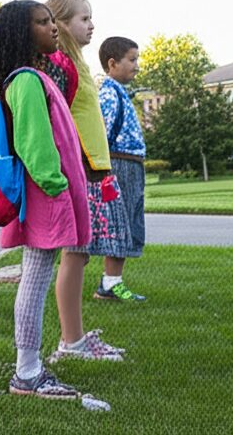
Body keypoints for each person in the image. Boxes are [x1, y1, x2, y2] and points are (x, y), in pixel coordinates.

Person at [0, 0, 113, 400]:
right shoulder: (26, 81)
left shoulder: (34, 76)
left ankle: (30, 365)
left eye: (52, 20)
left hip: (48, 194)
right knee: (35, 280)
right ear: (21, 34)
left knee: (36, 278)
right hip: (46, 196)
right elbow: (34, 143)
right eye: (42, 23)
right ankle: (27, 371)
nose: (52, 28)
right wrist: (55, 186)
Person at [46, 0, 144, 322]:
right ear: (60, 23)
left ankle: (73, 338)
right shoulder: (61, 66)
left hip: (94, 168)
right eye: (84, 18)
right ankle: (69, 341)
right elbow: (63, 119)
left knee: (79, 253)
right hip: (83, 168)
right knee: (73, 252)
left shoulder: (76, 66)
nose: (91, 25)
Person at [98, 36, 148, 298]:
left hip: (130, 164)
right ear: (112, 63)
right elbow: (101, 133)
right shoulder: (109, 93)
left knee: (130, 219)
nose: (137, 66)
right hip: (120, 164)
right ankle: (110, 283)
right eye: (132, 60)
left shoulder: (120, 92)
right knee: (121, 221)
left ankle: (112, 281)